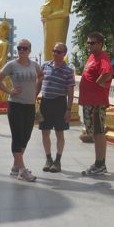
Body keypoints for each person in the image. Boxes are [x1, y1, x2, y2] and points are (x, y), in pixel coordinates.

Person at [0, 39, 43, 182]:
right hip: (15, 105)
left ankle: (16, 167)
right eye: (19, 48)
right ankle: (22, 170)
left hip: (30, 105)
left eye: (25, 48)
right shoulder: (11, 65)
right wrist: (10, 91)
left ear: (30, 50)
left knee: (26, 136)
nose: (22, 50)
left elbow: (41, 76)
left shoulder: (34, 65)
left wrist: (36, 91)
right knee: (17, 136)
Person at [78, 32, 113, 175]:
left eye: (92, 43)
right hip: (89, 101)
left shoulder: (102, 57)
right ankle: (98, 162)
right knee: (94, 133)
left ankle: (100, 164)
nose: (89, 45)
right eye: (88, 43)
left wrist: (99, 82)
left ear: (100, 44)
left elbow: (108, 72)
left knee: (99, 132)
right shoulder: (92, 57)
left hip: (96, 102)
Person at [36, 42, 75, 173]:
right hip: (45, 102)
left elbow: (70, 91)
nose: (55, 54)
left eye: (58, 52)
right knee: (45, 131)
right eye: (54, 51)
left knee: (59, 132)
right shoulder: (45, 66)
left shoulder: (68, 71)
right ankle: (48, 159)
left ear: (64, 54)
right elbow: (39, 84)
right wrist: (33, 97)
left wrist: (68, 109)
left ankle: (57, 160)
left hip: (60, 103)